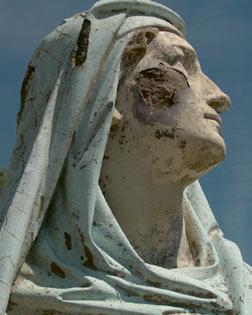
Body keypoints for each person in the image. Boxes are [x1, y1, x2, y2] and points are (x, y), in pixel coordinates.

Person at [0, 0, 251, 314]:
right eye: (180, 65)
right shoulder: (25, 300)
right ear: (104, 93)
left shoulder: (243, 290)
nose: (220, 96)